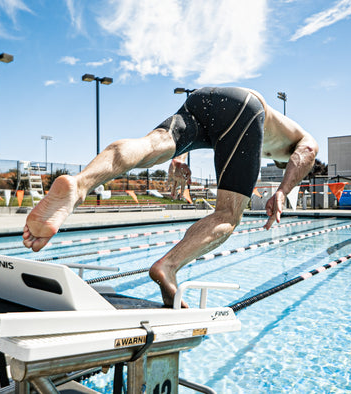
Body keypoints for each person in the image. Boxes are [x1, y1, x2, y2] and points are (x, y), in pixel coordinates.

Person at [23, 87, 318, 307]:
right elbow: (308, 152)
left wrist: (179, 158)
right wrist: (283, 190)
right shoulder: (299, 138)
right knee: (228, 215)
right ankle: (169, 266)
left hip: (203, 99)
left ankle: (79, 184)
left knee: (152, 146)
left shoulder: (273, 136)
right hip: (247, 108)